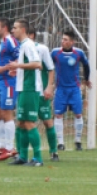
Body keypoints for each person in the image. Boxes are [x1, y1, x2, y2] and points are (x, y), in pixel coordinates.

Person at [5, 19, 44, 166]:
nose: (12, 30)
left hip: (30, 88)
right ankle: (22, 156)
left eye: (14, 28)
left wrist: (18, 65)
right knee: (20, 123)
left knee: (28, 122)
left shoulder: (28, 44)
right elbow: (28, 65)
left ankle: (38, 158)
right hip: (23, 87)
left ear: (22, 30)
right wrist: (18, 70)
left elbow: (37, 64)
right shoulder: (23, 45)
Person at [51, 29, 92, 151]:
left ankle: (78, 141)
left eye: (66, 40)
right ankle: (60, 143)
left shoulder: (78, 53)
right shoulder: (55, 53)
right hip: (60, 89)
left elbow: (86, 65)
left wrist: (86, 79)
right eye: (62, 39)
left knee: (78, 114)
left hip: (75, 89)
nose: (63, 41)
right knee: (58, 115)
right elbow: (47, 65)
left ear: (72, 42)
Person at [0, 18, 19, 161]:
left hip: (9, 82)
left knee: (7, 113)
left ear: (4, 28)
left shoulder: (11, 41)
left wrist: (4, 68)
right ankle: (1, 146)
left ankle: (10, 147)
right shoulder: (2, 43)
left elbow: (20, 60)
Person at [28, 27, 57, 161]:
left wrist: (49, 87)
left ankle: (54, 151)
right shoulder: (20, 49)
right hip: (27, 92)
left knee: (47, 121)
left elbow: (51, 69)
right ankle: (26, 153)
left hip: (41, 93)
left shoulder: (42, 49)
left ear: (31, 35)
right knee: (25, 122)